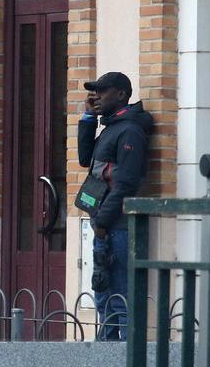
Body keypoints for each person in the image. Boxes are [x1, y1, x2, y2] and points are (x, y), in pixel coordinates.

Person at [76, 72, 152, 341]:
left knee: (120, 300)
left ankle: (126, 355)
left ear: (121, 94)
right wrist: (88, 119)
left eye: (102, 91)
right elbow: (86, 159)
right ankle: (106, 354)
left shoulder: (130, 130)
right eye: (94, 91)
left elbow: (127, 183)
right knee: (104, 298)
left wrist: (103, 222)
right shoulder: (112, 127)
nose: (96, 95)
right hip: (105, 226)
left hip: (118, 227)